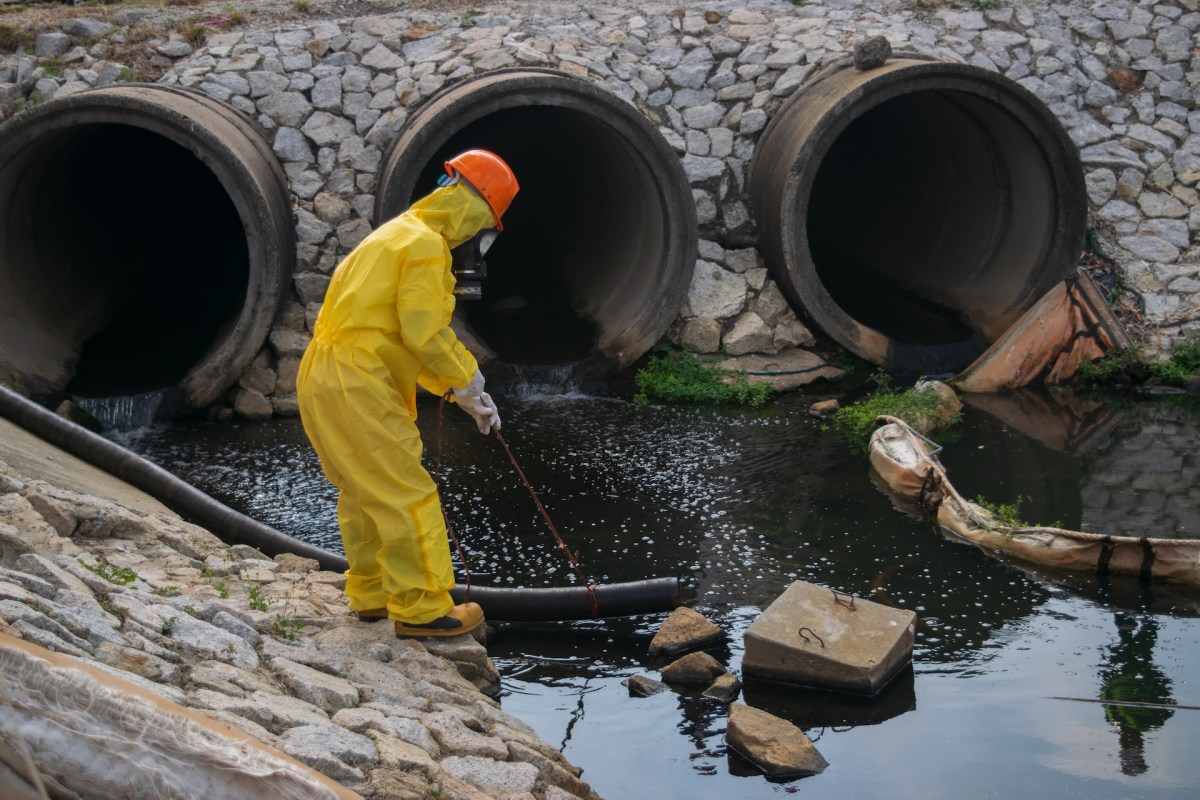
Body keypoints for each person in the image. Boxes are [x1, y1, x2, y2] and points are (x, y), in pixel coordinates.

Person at [296, 149, 518, 638]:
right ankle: (421, 609)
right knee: (406, 491)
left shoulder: (392, 233)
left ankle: (374, 594)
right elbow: (423, 332)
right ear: (475, 207)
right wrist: (467, 377)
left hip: (323, 371)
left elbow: (389, 332)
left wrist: (455, 391)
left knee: (362, 491)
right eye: (485, 223)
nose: (475, 236)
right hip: (359, 379)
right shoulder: (425, 245)